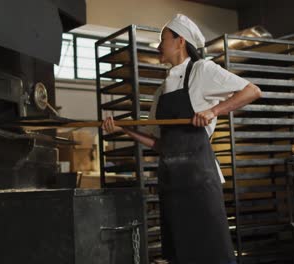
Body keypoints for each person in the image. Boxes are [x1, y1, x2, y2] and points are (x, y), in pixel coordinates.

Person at [102, 14, 261, 264]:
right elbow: (159, 144)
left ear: (180, 41)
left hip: (199, 181)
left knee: (212, 253)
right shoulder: (160, 90)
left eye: (163, 39)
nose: (158, 47)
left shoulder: (202, 71)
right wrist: (123, 128)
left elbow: (252, 90)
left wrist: (213, 111)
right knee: (179, 255)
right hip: (172, 183)